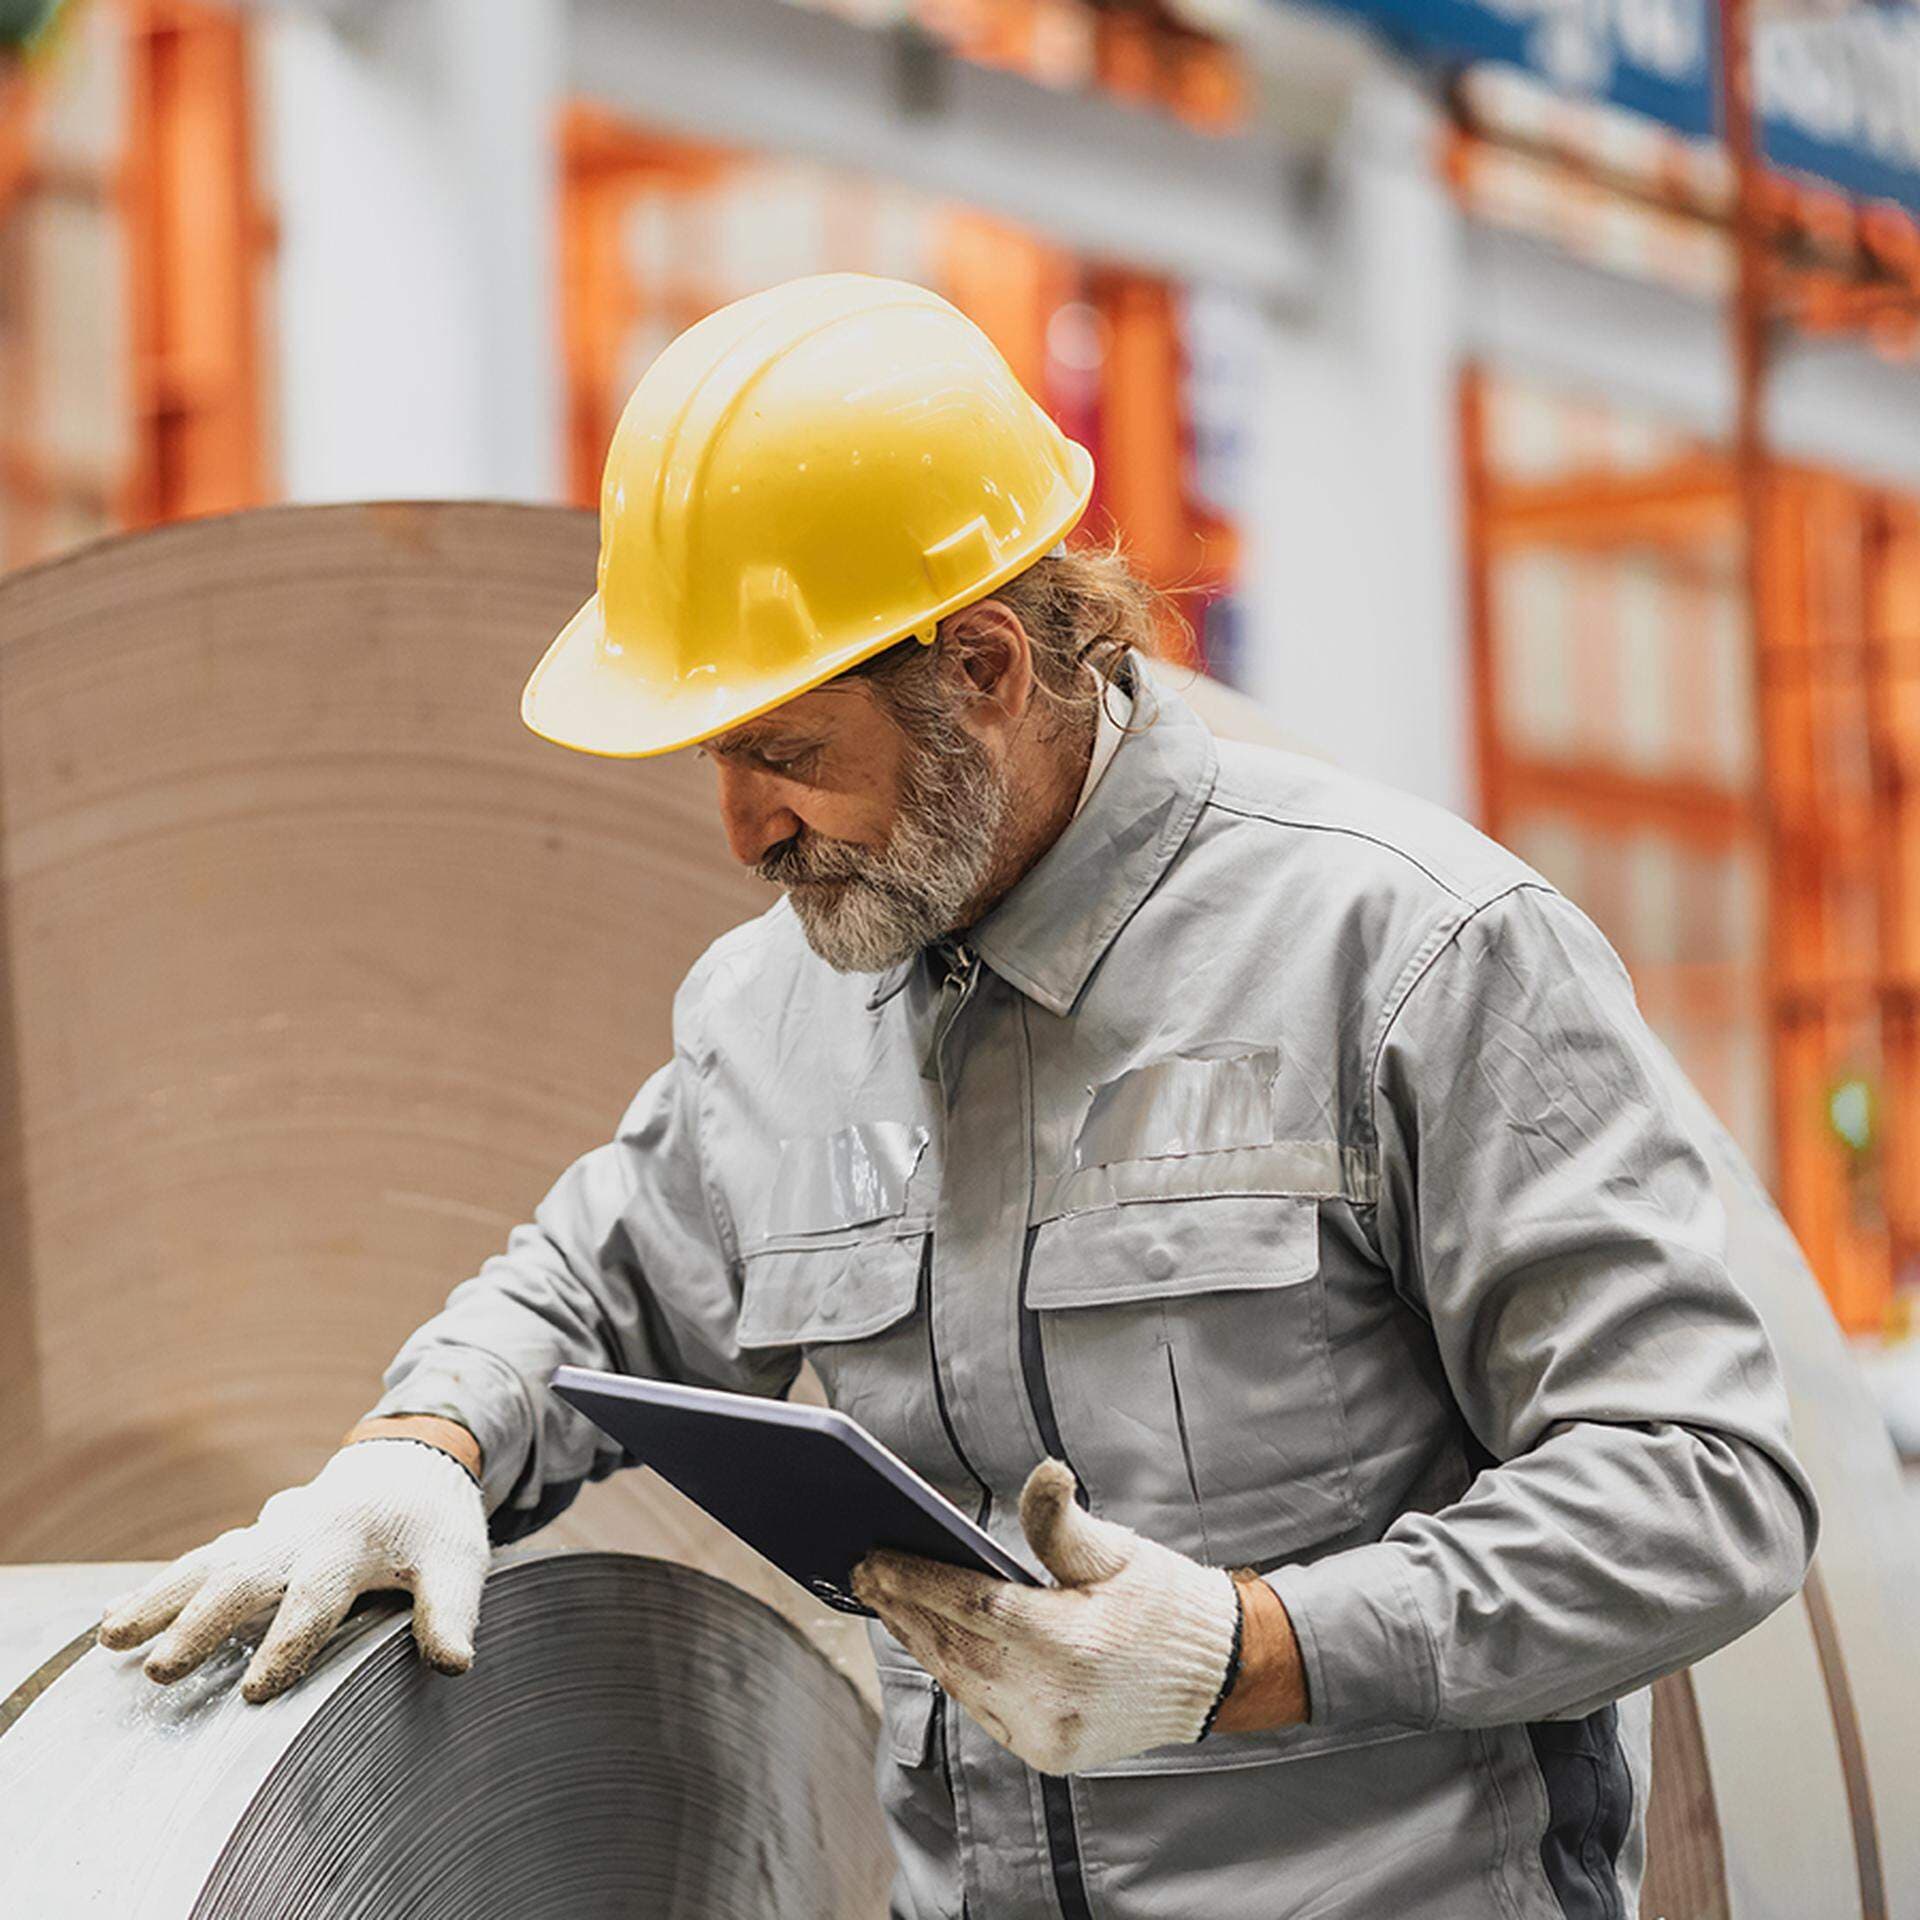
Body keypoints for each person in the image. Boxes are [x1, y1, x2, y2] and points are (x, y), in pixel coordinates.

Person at [96, 274, 1817, 1919]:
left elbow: (1700, 1482)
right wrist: (421, 1449)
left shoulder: (1416, 955)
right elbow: (592, 1285)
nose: (743, 830)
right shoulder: (776, 1012)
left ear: (986, 671)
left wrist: (1246, 1651)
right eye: (720, 757)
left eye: (786, 752)